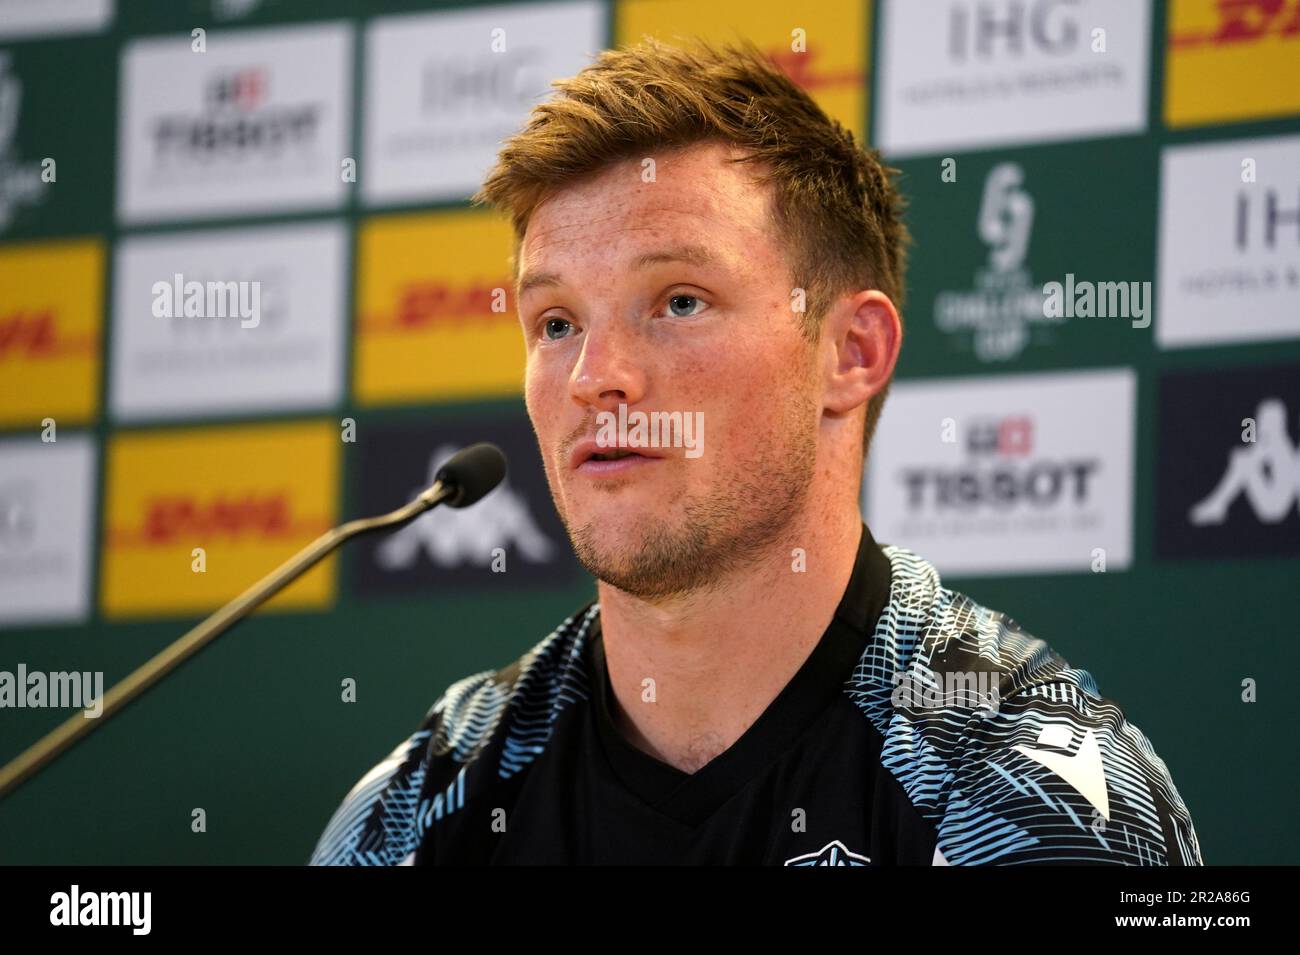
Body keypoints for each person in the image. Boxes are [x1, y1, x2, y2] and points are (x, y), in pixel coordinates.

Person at [309, 37, 1201, 866]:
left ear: (850, 354)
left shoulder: (1026, 800)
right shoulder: (424, 804)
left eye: (680, 301)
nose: (593, 378)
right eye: (555, 322)